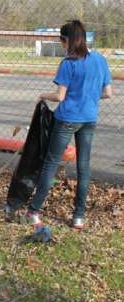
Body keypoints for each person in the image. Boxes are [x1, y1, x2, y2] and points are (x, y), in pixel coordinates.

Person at [26, 20, 112, 230]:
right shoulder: (100, 60)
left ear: (66, 40)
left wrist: (41, 95)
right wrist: (89, 98)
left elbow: (60, 96)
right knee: (84, 167)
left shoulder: (68, 63)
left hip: (67, 120)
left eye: (62, 41)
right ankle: (79, 217)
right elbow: (108, 93)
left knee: (51, 164)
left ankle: (34, 211)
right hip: (89, 120)